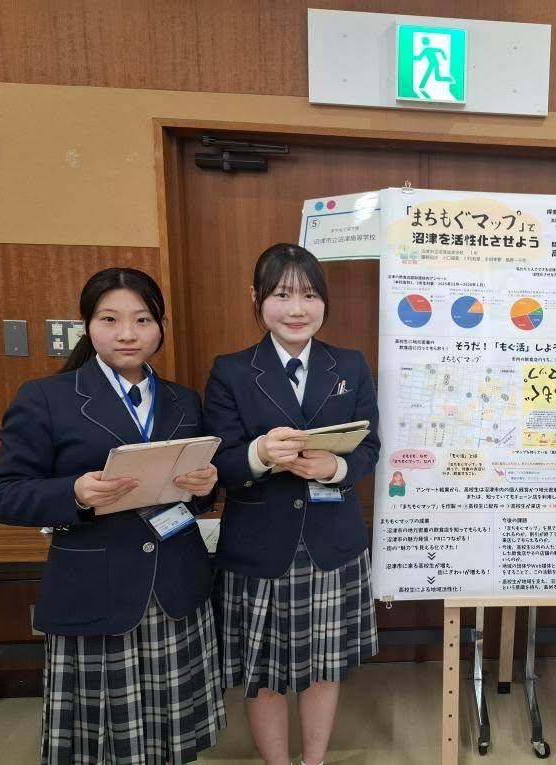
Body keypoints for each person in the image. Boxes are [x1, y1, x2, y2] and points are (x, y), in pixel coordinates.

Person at [0, 267, 224, 764]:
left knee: (172, 735)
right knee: (103, 741)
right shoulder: (46, 397)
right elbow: (4, 494)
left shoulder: (182, 400)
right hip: (96, 590)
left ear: (161, 326)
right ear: (87, 325)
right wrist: (74, 492)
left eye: (142, 320)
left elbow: (193, 494)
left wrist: (206, 488)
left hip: (176, 584)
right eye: (110, 319)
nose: (127, 333)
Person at [203, 243, 380, 765]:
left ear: (324, 301)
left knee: (325, 667)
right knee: (262, 674)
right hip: (260, 546)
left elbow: (370, 447)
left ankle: (314, 760)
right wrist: (258, 454)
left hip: (332, 543)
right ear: (257, 299)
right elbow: (218, 465)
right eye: (282, 295)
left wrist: (336, 469)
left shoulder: (350, 364)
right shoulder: (232, 371)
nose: (297, 309)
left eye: (309, 295)